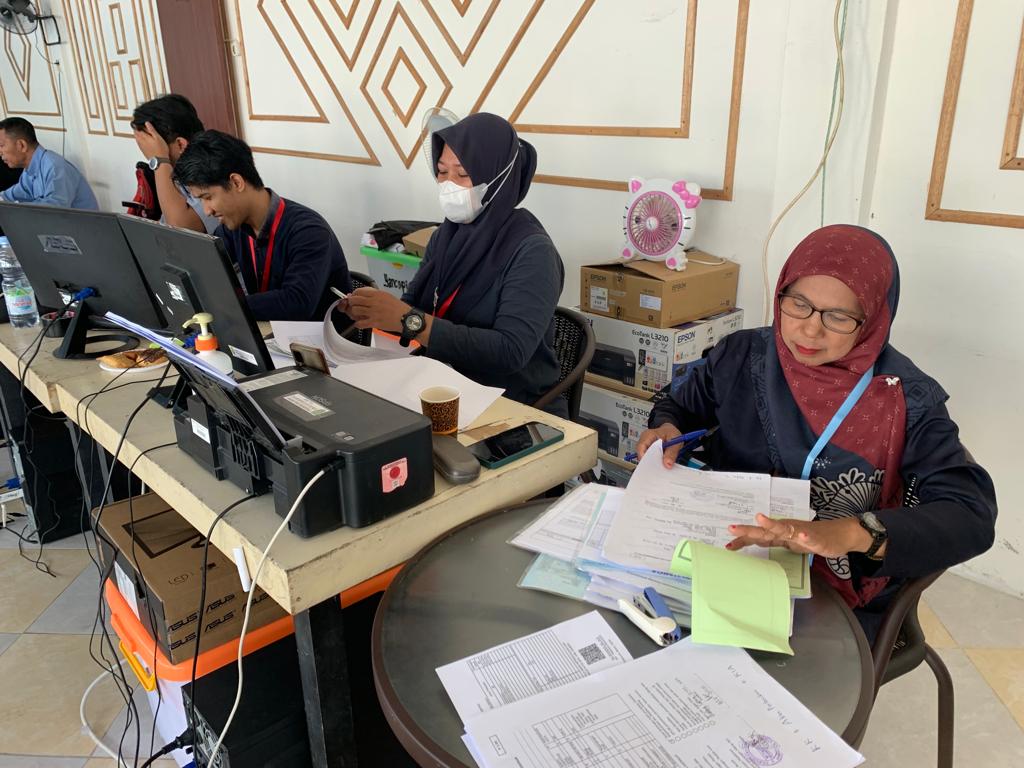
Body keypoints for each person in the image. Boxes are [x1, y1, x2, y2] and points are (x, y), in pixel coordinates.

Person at [634, 225, 996, 636]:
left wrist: (854, 532)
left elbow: (971, 515)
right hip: (725, 547)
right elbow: (680, 402)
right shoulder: (742, 354)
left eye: (838, 317)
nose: (809, 330)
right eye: (798, 304)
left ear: (874, 318)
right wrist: (667, 427)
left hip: (831, 587)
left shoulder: (906, 398)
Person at [341, 112, 566, 412]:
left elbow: (510, 351)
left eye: (462, 174)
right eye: (442, 171)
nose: (449, 184)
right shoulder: (446, 237)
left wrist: (410, 321)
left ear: (498, 177)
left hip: (510, 407)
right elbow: (413, 308)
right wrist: (376, 310)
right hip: (440, 389)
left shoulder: (532, 251)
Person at [173, 130, 351, 323]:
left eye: (208, 197)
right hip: (270, 332)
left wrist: (223, 306)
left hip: (317, 339)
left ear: (236, 182)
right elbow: (205, 267)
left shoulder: (308, 231)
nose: (207, 210)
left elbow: (297, 303)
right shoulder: (233, 226)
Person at [131, 94, 219, 233]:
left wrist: (159, 159)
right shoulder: (176, 173)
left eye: (152, 145)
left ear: (180, 144)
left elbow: (180, 230)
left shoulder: (212, 172)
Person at [0, 117, 98, 210]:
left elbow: (53, 210)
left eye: (1, 145)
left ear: (22, 145)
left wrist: (16, 207)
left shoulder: (55, 167)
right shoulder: (29, 171)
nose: (0, 152)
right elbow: (10, 196)